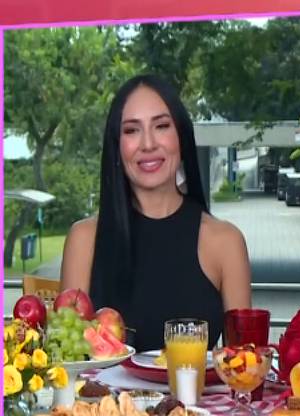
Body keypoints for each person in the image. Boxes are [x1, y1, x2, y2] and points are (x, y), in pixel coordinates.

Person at [60, 74, 252, 352]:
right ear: (116, 146)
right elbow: (69, 366)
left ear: (182, 138)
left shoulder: (226, 242)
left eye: (161, 126)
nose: (148, 144)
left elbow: (243, 370)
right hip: (100, 397)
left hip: (198, 397)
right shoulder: (84, 239)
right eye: (131, 130)